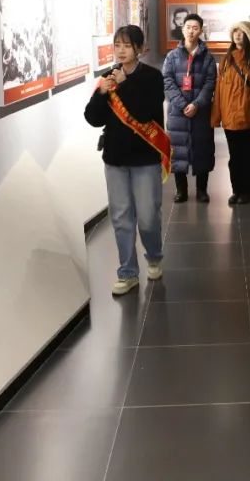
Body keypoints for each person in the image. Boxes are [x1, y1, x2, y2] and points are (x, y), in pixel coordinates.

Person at [84, 25, 170, 296]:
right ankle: (128, 272)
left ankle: (154, 257)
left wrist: (124, 85)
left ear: (139, 49)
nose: (120, 51)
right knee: (121, 218)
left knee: (148, 216)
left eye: (126, 45)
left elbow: (145, 113)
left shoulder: (152, 77)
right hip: (115, 158)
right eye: (117, 45)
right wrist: (102, 93)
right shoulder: (107, 77)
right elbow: (92, 118)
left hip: (145, 158)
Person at [211, 21, 250, 205]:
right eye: (235, 32)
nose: (237, 35)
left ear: (248, 37)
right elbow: (219, 90)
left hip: (249, 118)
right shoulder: (226, 60)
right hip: (230, 118)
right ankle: (236, 190)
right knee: (234, 157)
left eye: (241, 32)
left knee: (248, 156)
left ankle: (247, 192)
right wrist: (216, 116)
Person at [162, 13, 217, 204]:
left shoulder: (207, 57)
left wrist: (196, 104)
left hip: (201, 112)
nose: (191, 31)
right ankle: (181, 190)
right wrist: (183, 104)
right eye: (188, 27)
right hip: (178, 113)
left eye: (195, 28)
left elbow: (210, 83)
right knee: (178, 150)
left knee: (202, 149)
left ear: (200, 30)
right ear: (182, 29)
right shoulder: (172, 56)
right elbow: (167, 81)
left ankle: (202, 190)